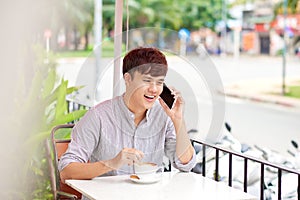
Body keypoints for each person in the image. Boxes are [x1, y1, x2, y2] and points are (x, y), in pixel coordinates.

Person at [58, 47, 196, 184]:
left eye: (159, 82)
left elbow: (186, 164)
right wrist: (112, 163)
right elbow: (66, 171)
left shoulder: (164, 115)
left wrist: (178, 120)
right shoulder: (98, 116)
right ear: (128, 79)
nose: (154, 89)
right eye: (147, 81)